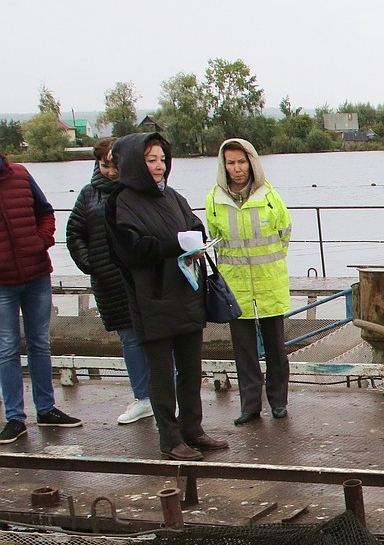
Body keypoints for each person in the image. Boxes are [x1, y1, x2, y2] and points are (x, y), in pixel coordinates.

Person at [105, 132, 227, 461]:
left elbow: (194, 225)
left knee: (191, 368)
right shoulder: (119, 201)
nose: (159, 166)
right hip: (151, 299)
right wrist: (177, 244)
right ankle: (169, 439)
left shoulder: (172, 196)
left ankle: (193, 430)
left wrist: (197, 243)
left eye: (161, 159)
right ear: (134, 163)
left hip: (186, 293)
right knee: (161, 373)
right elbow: (130, 250)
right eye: (151, 160)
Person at [205, 138, 293, 425]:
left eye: (241, 162)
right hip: (236, 284)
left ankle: (278, 401)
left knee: (276, 348)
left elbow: (284, 233)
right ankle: (250, 405)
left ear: (251, 162)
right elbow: (216, 240)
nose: (237, 168)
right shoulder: (214, 200)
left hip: (269, 282)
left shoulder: (270, 196)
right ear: (224, 166)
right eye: (231, 163)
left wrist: (271, 263)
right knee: (243, 351)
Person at [66, 137, 153, 425]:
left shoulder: (138, 190)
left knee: (158, 334)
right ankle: (142, 397)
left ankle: (168, 394)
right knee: (129, 339)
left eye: (116, 165)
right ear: (97, 164)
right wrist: (93, 265)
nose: (112, 172)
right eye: (105, 165)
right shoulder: (88, 195)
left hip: (142, 277)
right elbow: (74, 233)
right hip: (110, 282)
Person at [0, 153, 83, 445]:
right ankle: (15, 418)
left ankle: (46, 410)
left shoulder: (21, 175)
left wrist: (41, 242)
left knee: (40, 343)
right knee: (7, 348)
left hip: (36, 275)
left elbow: (46, 212)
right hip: (2, 284)